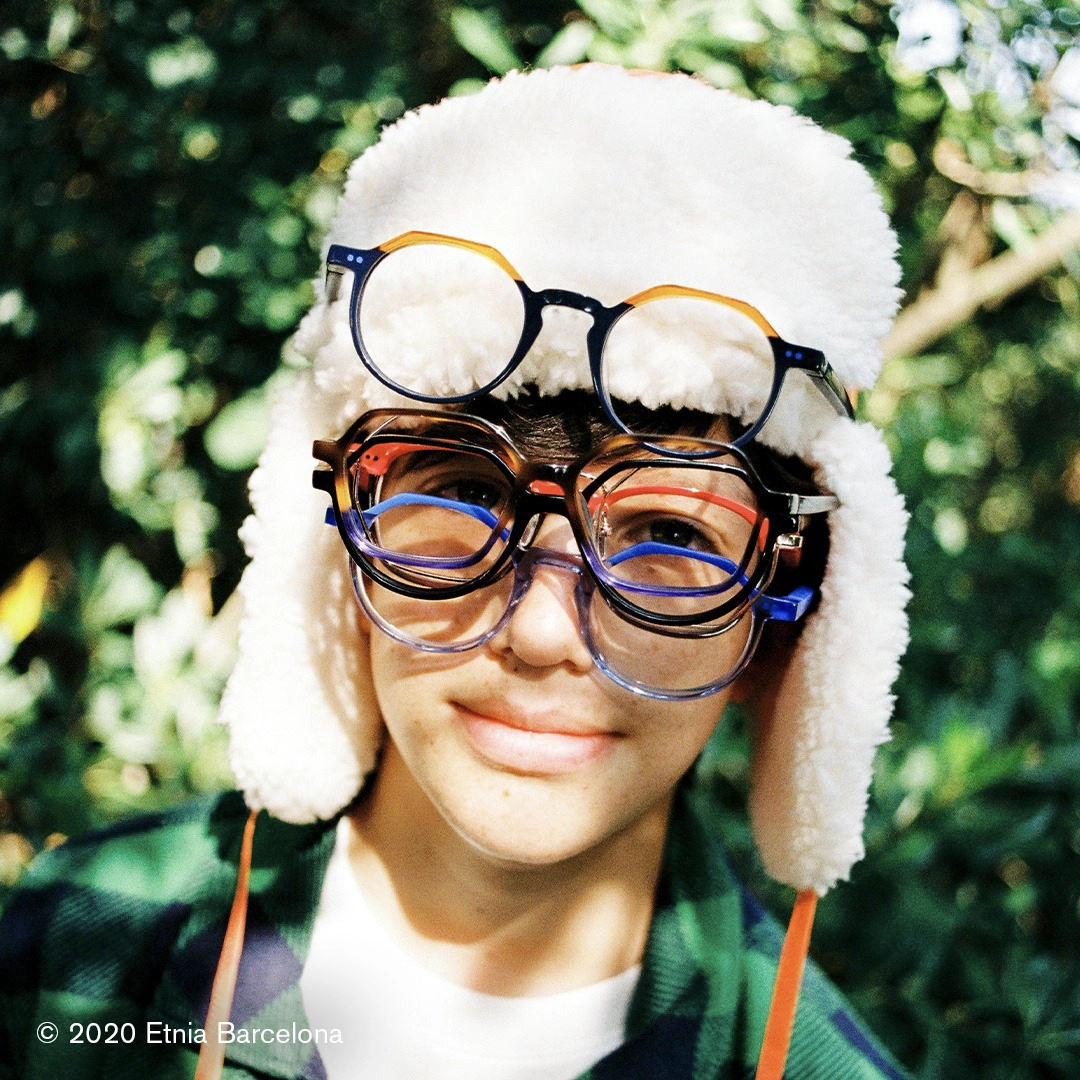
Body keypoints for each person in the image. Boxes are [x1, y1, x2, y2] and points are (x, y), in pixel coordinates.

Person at [0, 65, 912, 1080]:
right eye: (463, 498)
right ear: (334, 540)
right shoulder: (78, 948)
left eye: (675, 537)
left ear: (781, 625)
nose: (544, 634)